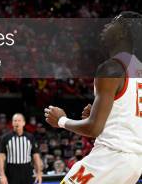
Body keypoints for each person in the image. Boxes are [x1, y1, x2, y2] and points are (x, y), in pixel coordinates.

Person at [45, 12, 142, 183]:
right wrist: (106, 116)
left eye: (113, 22)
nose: (106, 25)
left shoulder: (112, 68)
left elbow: (93, 129)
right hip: (134, 163)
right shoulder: (137, 68)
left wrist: (61, 120)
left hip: (111, 157)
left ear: (122, 33)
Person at [0, 114, 43, 184]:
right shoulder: (5, 138)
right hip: (11, 171)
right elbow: (1, 158)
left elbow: (36, 157)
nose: (17, 122)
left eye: (19, 120)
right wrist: (2, 175)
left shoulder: (30, 137)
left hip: (26, 170)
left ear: (24, 123)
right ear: (12, 123)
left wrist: (39, 173)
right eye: (15, 121)